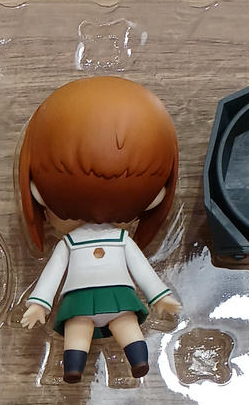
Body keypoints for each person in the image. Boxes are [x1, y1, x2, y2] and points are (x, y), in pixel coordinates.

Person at [18, 76, 182, 383]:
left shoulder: (121, 239)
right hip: (80, 299)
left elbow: (141, 269)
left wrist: (159, 296)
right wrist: (39, 303)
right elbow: (53, 273)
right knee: (78, 329)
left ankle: (138, 361)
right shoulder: (70, 243)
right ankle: (73, 368)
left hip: (116, 295)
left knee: (126, 325)